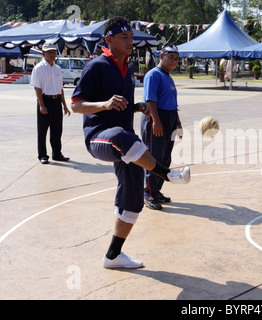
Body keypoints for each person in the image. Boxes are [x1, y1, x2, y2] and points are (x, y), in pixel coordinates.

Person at [71, 17, 190, 269]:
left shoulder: (127, 71)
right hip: (99, 137)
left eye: (130, 37)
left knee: (134, 196)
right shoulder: (96, 66)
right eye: (123, 37)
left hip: (124, 144)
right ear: (109, 40)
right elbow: (76, 104)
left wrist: (137, 107)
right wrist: (104, 104)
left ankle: (113, 256)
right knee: (126, 138)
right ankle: (166, 174)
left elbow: (121, 108)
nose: (129, 41)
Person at [141, 44, 182, 210]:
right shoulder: (153, 75)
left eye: (176, 59)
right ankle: (148, 193)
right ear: (161, 57)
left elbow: (173, 104)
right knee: (154, 157)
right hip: (157, 118)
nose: (174, 61)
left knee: (165, 158)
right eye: (171, 57)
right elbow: (151, 101)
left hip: (170, 118)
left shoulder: (168, 77)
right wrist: (156, 122)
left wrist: (177, 123)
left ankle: (156, 190)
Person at [30, 41, 71, 164]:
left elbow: (60, 88)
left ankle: (57, 154)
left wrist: (64, 105)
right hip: (45, 100)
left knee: (57, 130)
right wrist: (41, 105)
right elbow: (37, 88)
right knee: (42, 130)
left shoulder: (57, 69)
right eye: (49, 52)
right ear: (43, 54)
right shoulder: (39, 68)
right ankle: (42, 155)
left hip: (56, 101)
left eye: (54, 52)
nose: (52, 54)